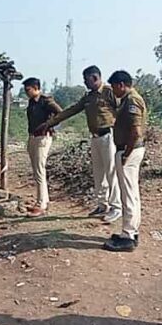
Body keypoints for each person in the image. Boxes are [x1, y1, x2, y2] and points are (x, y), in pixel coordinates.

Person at [35, 65, 121, 223]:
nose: (84, 83)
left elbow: (121, 110)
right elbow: (72, 110)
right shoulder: (88, 97)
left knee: (111, 172)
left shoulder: (109, 92)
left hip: (109, 136)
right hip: (95, 138)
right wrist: (51, 122)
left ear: (95, 78)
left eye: (86, 80)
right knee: (98, 173)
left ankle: (116, 207)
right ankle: (102, 205)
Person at [102, 70, 147, 252]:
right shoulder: (129, 99)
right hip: (131, 150)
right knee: (132, 194)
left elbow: (135, 131)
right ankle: (131, 231)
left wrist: (126, 154)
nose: (113, 91)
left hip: (129, 150)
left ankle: (128, 235)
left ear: (121, 85)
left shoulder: (131, 100)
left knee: (128, 195)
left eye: (114, 87)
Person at [23, 77, 63, 217]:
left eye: (28, 89)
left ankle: (41, 204)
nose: (26, 92)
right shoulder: (31, 102)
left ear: (35, 88)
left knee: (40, 170)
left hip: (43, 137)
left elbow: (60, 113)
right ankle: (43, 200)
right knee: (36, 171)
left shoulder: (46, 101)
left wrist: (48, 125)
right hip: (33, 136)